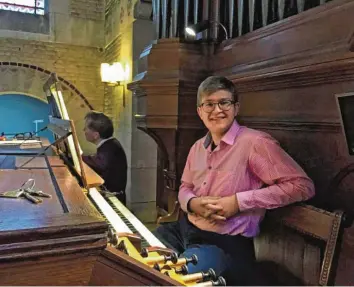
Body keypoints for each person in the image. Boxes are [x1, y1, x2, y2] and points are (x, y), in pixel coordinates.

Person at [154, 76, 315, 285]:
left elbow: (302, 186)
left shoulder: (255, 143)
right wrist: (192, 203)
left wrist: (238, 202)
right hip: (183, 229)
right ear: (199, 111)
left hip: (225, 244)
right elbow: (185, 187)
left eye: (224, 102)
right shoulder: (197, 147)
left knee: (172, 280)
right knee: (137, 260)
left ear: (236, 108)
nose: (217, 110)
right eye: (209, 104)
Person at [82, 111, 128, 205]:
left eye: (86, 128)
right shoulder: (109, 144)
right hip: (110, 196)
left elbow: (99, 165)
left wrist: (77, 157)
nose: (84, 130)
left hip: (114, 200)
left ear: (96, 135)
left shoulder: (110, 147)